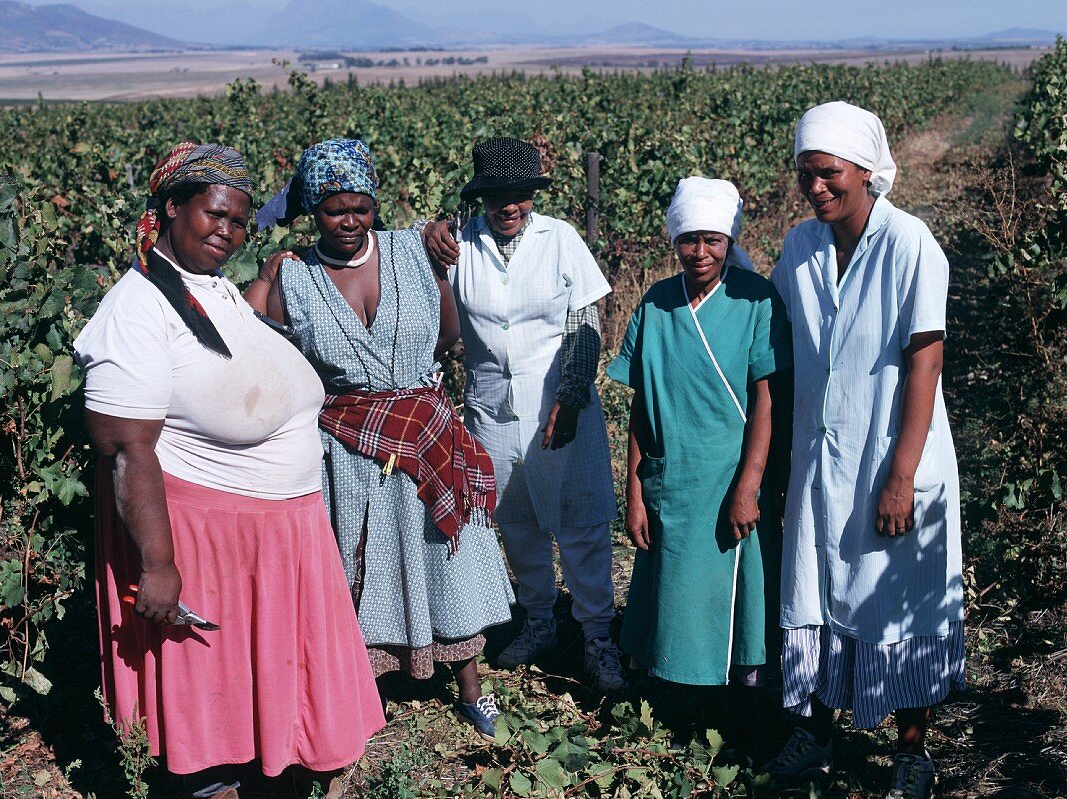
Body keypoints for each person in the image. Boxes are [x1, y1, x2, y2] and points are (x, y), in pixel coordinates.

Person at [74, 142, 385, 799]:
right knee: (202, 663)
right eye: (215, 214)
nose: (228, 232)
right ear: (170, 209)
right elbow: (127, 448)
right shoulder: (135, 307)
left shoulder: (208, 284)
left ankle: (293, 757)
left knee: (275, 650)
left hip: (275, 520)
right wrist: (157, 561)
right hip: (200, 522)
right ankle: (212, 797)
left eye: (240, 222)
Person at [246, 138, 514, 741]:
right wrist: (266, 272)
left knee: (446, 553)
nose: (349, 221)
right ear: (312, 209)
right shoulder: (296, 274)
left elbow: (448, 334)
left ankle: (469, 685)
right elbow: (250, 335)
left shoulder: (411, 250)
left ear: (375, 205)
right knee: (361, 562)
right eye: (334, 209)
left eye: (361, 207)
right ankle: (363, 693)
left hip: (424, 429)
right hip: (349, 442)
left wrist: (438, 252)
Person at [762, 102, 965, 799]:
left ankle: (911, 752)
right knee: (817, 591)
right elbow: (775, 330)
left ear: (865, 170)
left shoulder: (910, 243)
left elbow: (924, 360)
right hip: (822, 458)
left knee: (896, 600)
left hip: (890, 455)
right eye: (805, 175)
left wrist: (902, 475)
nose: (815, 188)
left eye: (828, 174)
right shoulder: (799, 248)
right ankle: (816, 731)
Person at [423, 137, 625, 694]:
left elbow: (585, 316)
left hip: (560, 400)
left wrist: (575, 387)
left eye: (520, 195)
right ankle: (539, 620)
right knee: (515, 523)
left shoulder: (559, 238)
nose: (509, 207)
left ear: (534, 195)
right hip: (490, 406)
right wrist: (425, 231)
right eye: (495, 196)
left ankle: (597, 636)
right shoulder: (459, 243)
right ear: (479, 198)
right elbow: (400, 257)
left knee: (580, 526)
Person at [606, 178, 790, 747]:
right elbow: (643, 401)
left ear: (730, 239)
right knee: (672, 588)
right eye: (689, 241)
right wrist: (635, 491)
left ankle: (739, 711)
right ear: (675, 240)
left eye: (713, 240)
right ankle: (674, 702)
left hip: (730, 475)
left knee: (734, 597)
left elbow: (766, 398)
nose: (701, 253)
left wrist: (749, 485)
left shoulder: (757, 300)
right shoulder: (656, 304)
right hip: (673, 476)